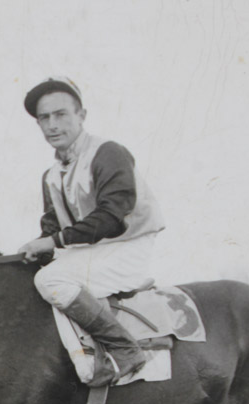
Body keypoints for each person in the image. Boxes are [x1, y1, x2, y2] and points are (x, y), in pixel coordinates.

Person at [17, 77, 165, 387]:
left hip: (128, 244)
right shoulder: (52, 174)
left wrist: (53, 241)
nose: (52, 125)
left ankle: (126, 351)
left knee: (50, 279)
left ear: (81, 116)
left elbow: (111, 217)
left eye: (61, 115)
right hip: (91, 250)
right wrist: (41, 246)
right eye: (44, 118)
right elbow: (52, 225)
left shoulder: (108, 152)